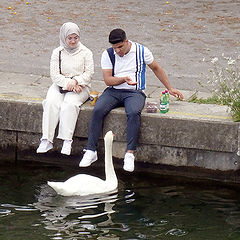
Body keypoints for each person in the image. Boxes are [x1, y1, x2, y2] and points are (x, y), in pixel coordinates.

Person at [79, 28, 183, 171]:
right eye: (114, 48)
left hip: (135, 92)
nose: (117, 51)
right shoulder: (108, 54)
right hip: (114, 91)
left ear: (127, 42)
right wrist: (123, 79)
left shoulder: (142, 51)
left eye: (120, 47)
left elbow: (156, 68)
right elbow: (108, 80)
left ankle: (130, 153)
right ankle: (91, 150)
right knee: (97, 109)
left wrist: (170, 88)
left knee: (133, 112)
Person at [37, 22, 94, 155]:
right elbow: (55, 75)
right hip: (61, 85)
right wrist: (69, 83)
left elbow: (89, 74)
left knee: (69, 105)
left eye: (76, 37)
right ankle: (47, 139)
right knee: (50, 103)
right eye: (70, 38)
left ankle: (67, 140)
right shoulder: (57, 52)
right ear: (64, 38)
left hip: (81, 87)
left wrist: (76, 81)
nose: (73, 41)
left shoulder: (86, 52)